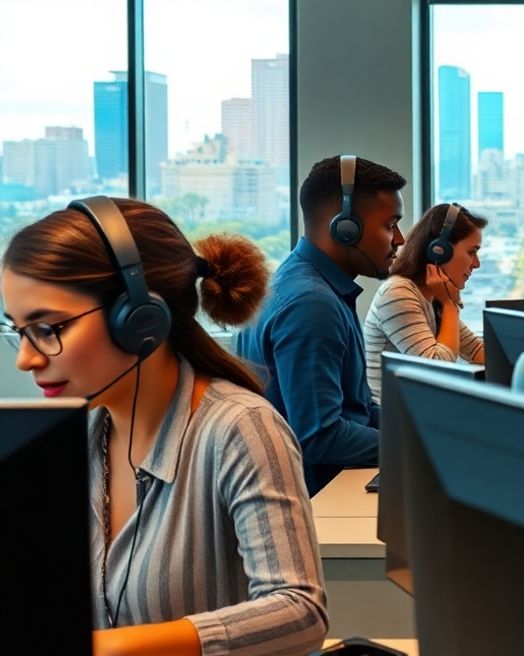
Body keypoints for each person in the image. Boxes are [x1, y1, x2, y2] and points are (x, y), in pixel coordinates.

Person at [0, 197, 326, 656]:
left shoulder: (240, 429)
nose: (25, 358)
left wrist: (108, 648)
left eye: (48, 328)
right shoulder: (78, 437)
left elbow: (300, 612)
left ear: (139, 319)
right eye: (18, 329)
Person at [237, 154, 407, 494]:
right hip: (316, 501)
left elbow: (355, 408)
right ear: (345, 228)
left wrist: (420, 431)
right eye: (390, 225)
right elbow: (319, 436)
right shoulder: (312, 305)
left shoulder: (313, 287)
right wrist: (417, 451)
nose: (400, 239)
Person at [365, 202, 487, 402]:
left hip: (420, 411)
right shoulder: (398, 292)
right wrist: (450, 305)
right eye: (471, 252)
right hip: (388, 421)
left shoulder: (433, 296)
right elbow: (438, 368)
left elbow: (474, 350)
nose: (477, 263)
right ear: (440, 250)